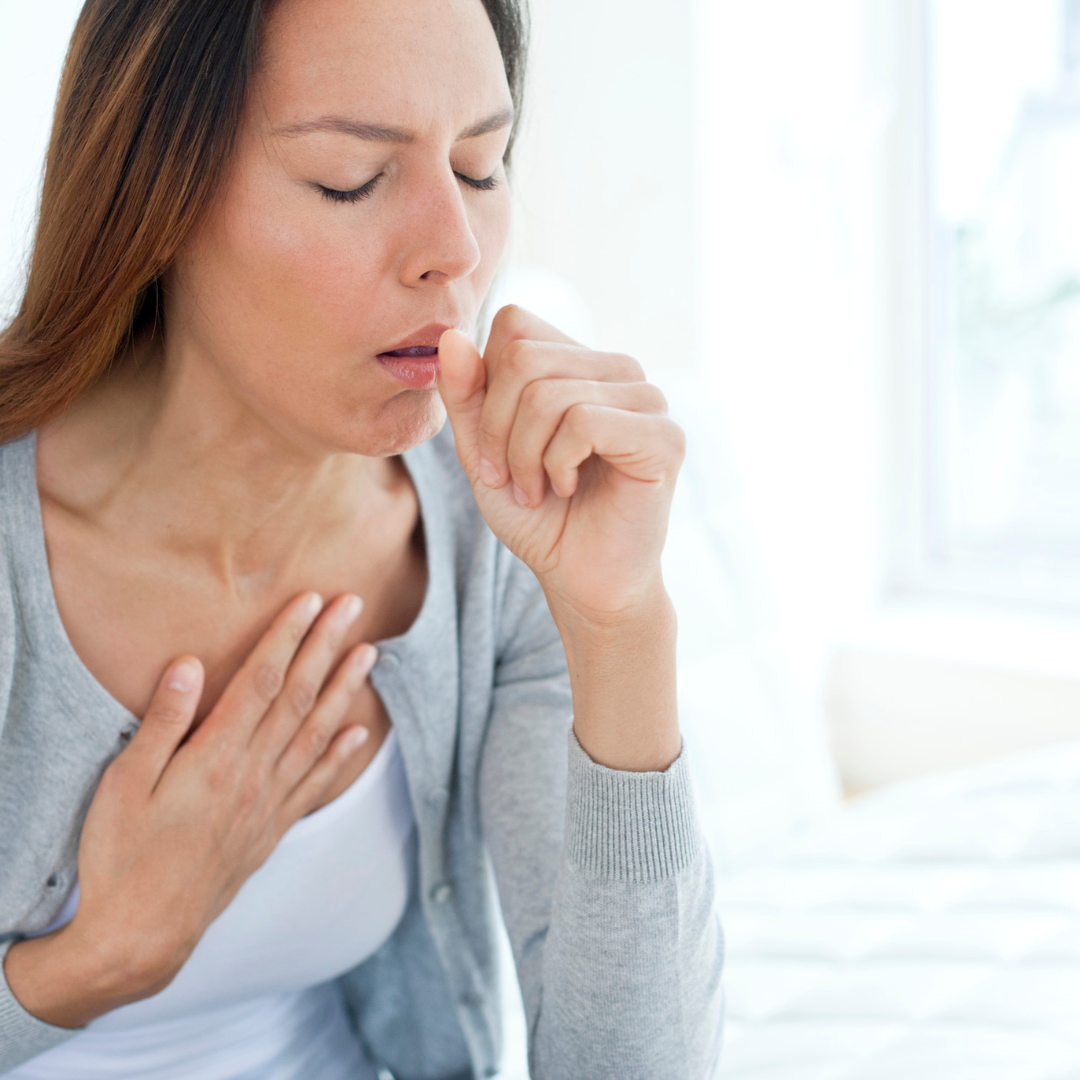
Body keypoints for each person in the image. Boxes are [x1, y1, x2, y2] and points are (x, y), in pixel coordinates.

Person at [0, 0, 724, 1076]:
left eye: (481, 166)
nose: (457, 250)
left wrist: (622, 626)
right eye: (352, 178)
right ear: (157, 195)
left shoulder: (499, 527)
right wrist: (95, 960)